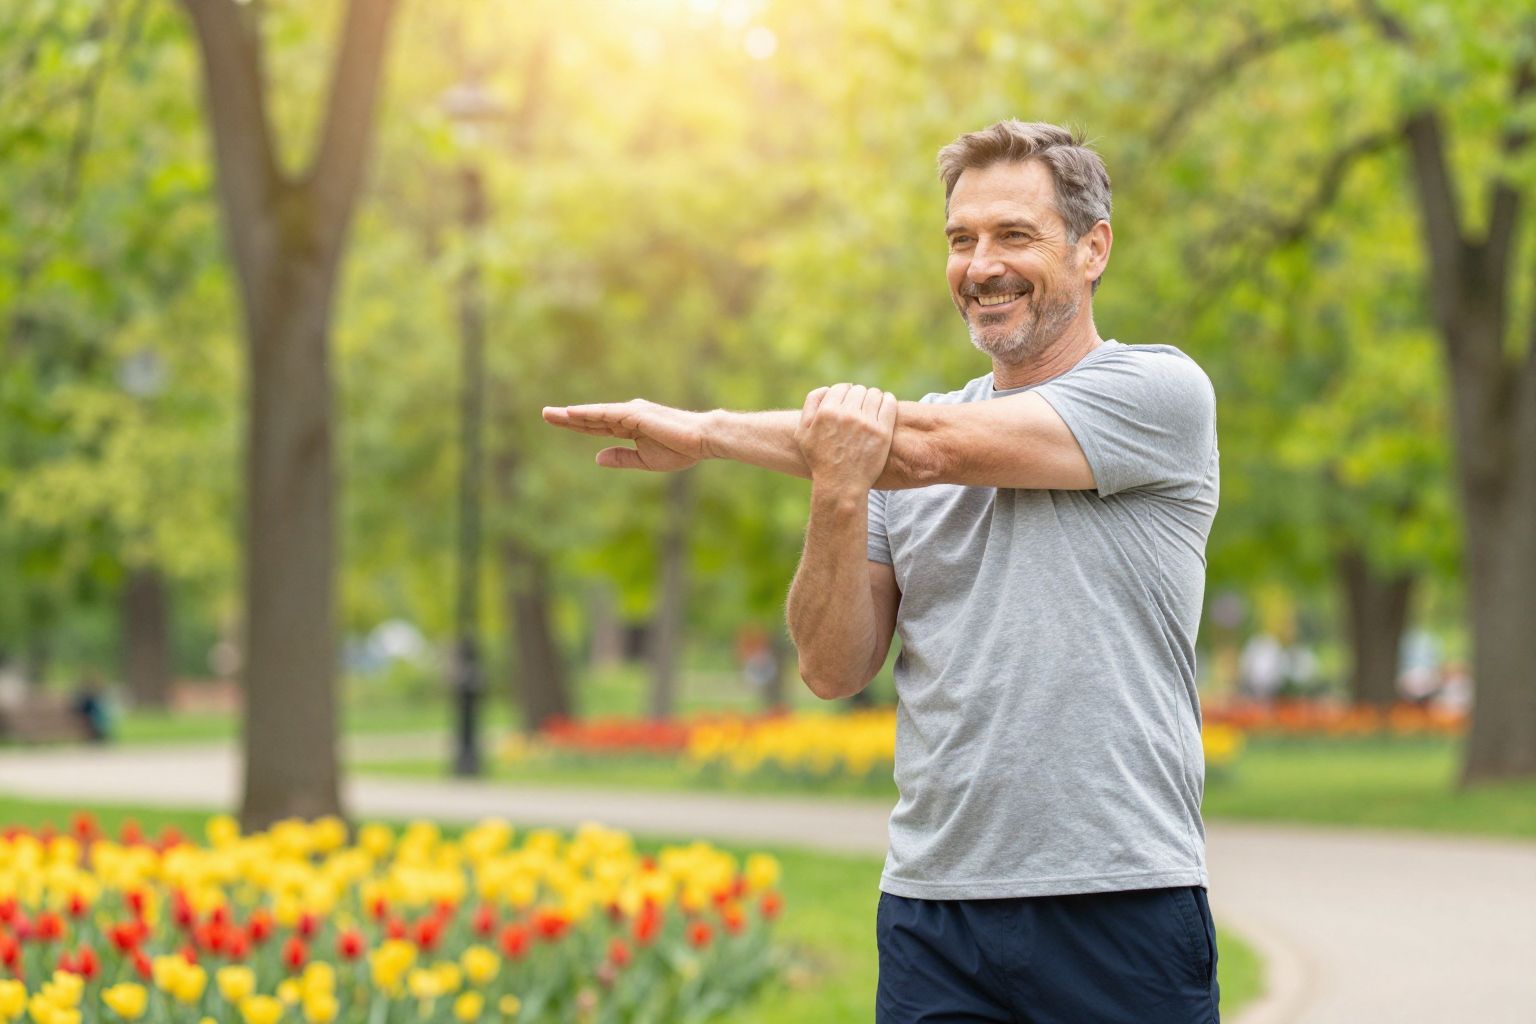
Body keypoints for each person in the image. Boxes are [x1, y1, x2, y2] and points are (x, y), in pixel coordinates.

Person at [544, 120, 1221, 1023]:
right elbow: (831, 669)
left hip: (1118, 899)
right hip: (933, 912)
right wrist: (837, 484)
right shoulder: (883, 451)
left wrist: (706, 433)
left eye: (1014, 235)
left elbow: (928, 450)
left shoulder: (1160, 395)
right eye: (961, 239)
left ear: (1093, 248)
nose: (981, 265)